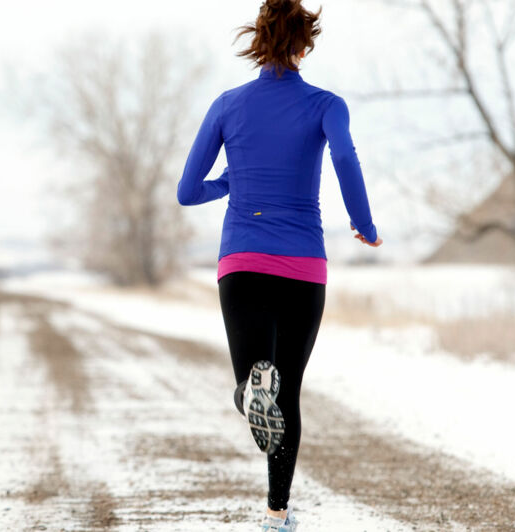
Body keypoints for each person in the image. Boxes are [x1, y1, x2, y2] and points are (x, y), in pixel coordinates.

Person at [175, 1, 383, 530]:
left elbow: (186, 191)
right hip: (304, 265)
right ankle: (276, 513)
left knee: (258, 381)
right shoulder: (326, 104)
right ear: (304, 43)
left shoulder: (227, 105)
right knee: (287, 391)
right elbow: (344, 159)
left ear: (259, 41)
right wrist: (365, 224)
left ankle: (247, 390)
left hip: (242, 260)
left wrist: (233, 183)